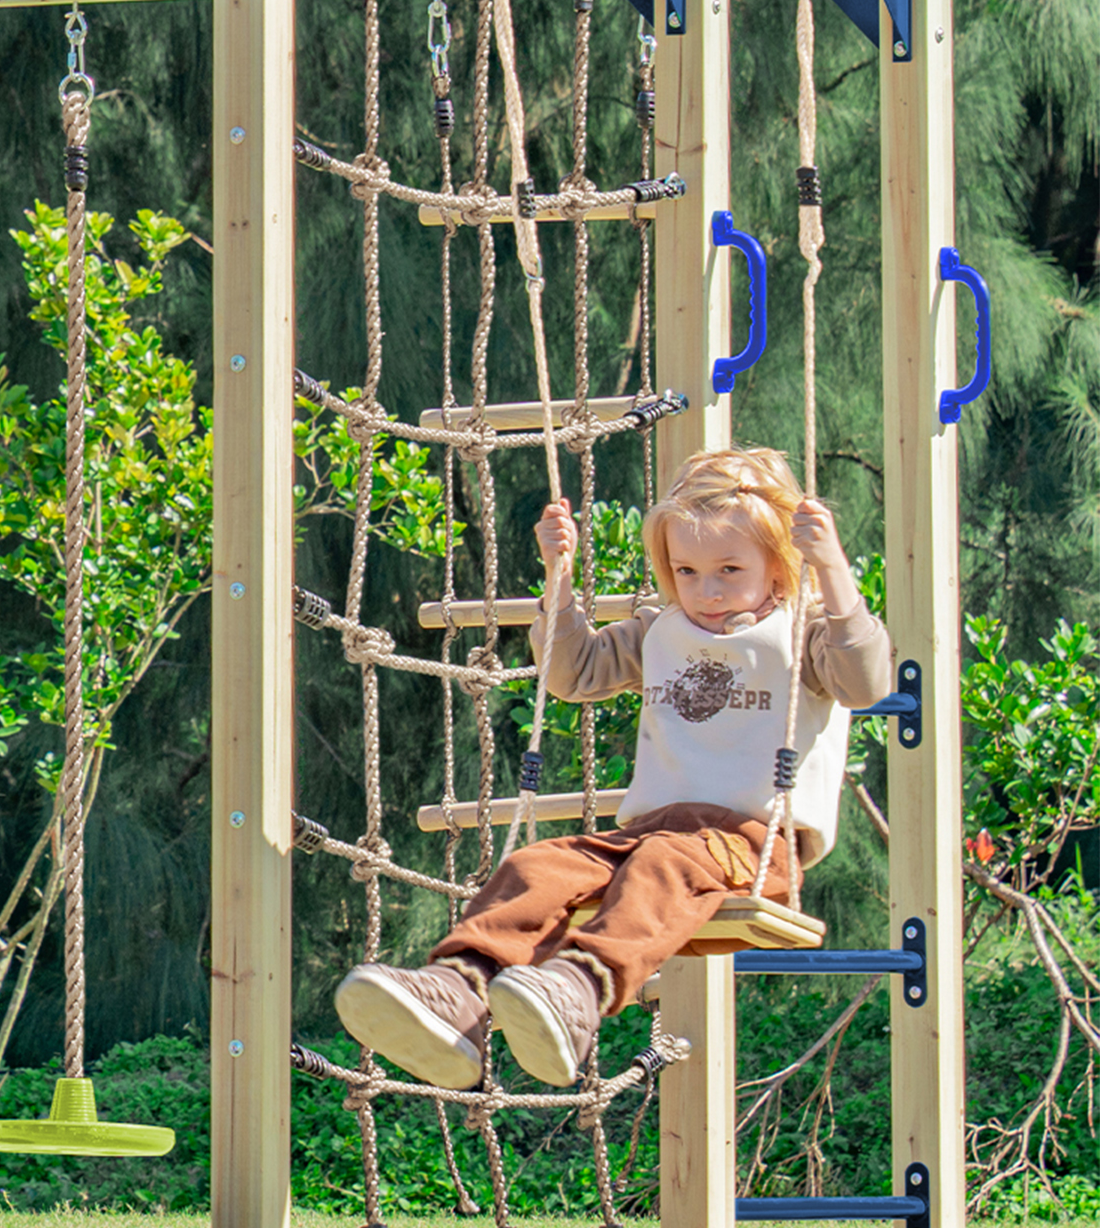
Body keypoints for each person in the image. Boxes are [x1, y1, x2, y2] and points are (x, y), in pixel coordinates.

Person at [336, 445, 895, 1090]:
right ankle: (458, 991)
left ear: (778, 566)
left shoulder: (807, 634)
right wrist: (559, 578)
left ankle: (579, 988)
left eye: (728, 570)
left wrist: (830, 567)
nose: (705, 591)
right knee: (537, 866)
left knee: (664, 864)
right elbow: (572, 673)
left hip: (752, 844)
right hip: (650, 833)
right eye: (686, 570)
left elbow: (864, 682)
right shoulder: (660, 630)